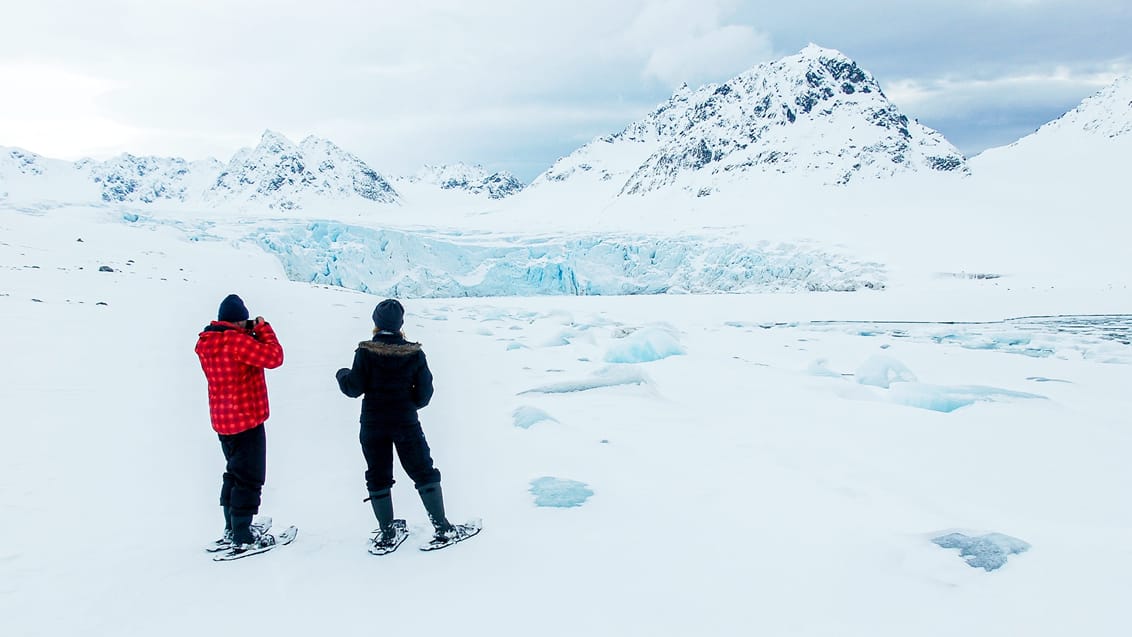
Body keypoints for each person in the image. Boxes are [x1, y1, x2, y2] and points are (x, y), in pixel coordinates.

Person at [336, 298, 469, 552]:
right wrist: (408, 406)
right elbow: (425, 394)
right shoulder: (415, 353)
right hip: (405, 422)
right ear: (400, 324)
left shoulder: (365, 352)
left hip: (373, 423)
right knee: (422, 470)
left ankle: (387, 533)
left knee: (378, 474)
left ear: (376, 323)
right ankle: (442, 527)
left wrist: (342, 374)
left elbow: (353, 388)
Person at [195, 294, 285, 555]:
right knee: (249, 477)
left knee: (233, 473)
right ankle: (243, 535)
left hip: (222, 421)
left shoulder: (207, 343)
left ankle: (232, 527)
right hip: (246, 418)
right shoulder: (236, 342)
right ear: (238, 321)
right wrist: (262, 329)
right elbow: (274, 357)